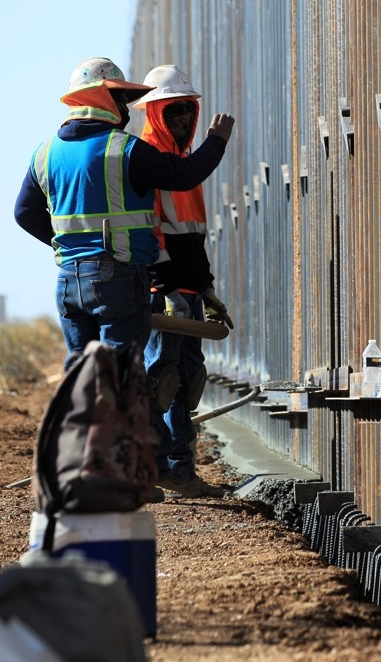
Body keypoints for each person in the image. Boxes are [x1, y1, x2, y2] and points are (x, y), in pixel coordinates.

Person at [14, 57, 234, 373]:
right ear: (101, 98)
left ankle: (79, 421)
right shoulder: (124, 149)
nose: (127, 108)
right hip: (117, 278)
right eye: (120, 98)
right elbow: (183, 175)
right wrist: (216, 141)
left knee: (81, 371)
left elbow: (24, 213)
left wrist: (70, 246)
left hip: (68, 281)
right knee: (120, 372)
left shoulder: (44, 152)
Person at [133, 64, 233, 498]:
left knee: (186, 382)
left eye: (185, 113)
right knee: (162, 380)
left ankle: (182, 471)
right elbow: (153, 235)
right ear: (155, 114)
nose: (181, 121)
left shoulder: (182, 165)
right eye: (172, 113)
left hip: (188, 294)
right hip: (165, 295)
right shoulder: (152, 162)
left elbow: (191, 236)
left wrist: (206, 288)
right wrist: (167, 289)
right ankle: (160, 470)